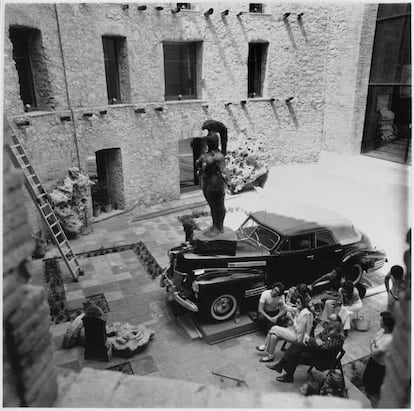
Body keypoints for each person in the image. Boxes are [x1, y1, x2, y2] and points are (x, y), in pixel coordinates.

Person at [267, 313, 345, 383]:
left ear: (337, 323)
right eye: (329, 319)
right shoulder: (328, 328)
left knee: (296, 353)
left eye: (331, 320)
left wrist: (313, 341)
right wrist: (316, 340)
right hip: (317, 351)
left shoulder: (339, 337)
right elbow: (318, 337)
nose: (328, 321)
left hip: (322, 359)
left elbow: (324, 347)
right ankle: (283, 367)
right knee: (297, 346)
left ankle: (285, 371)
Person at [256, 295, 313, 362]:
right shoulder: (299, 309)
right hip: (292, 331)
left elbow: (299, 330)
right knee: (273, 336)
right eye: (296, 302)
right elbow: (288, 308)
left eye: (298, 302)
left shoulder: (305, 314)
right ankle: (270, 356)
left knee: (274, 328)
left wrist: (292, 319)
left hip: (298, 337)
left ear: (303, 303)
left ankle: (265, 345)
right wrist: (282, 301)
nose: (296, 304)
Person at [195, 131, 229, 235]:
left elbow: (224, 170)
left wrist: (229, 182)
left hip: (216, 185)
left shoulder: (218, 156)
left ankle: (219, 228)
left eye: (210, 142)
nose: (208, 143)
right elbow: (199, 166)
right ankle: (215, 225)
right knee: (212, 206)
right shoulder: (206, 155)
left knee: (218, 206)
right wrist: (201, 167)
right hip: (207, 185)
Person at [362, 311, 395, 405]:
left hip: (380, 366)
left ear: (386, 325)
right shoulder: (382, 331)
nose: (379, 321)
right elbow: (373, 342)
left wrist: (373, 344)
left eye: (381, 321)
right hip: (373, 361)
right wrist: (374, 345)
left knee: (374, 389)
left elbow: (375, 352)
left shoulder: (389, 340)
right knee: (367, 382)